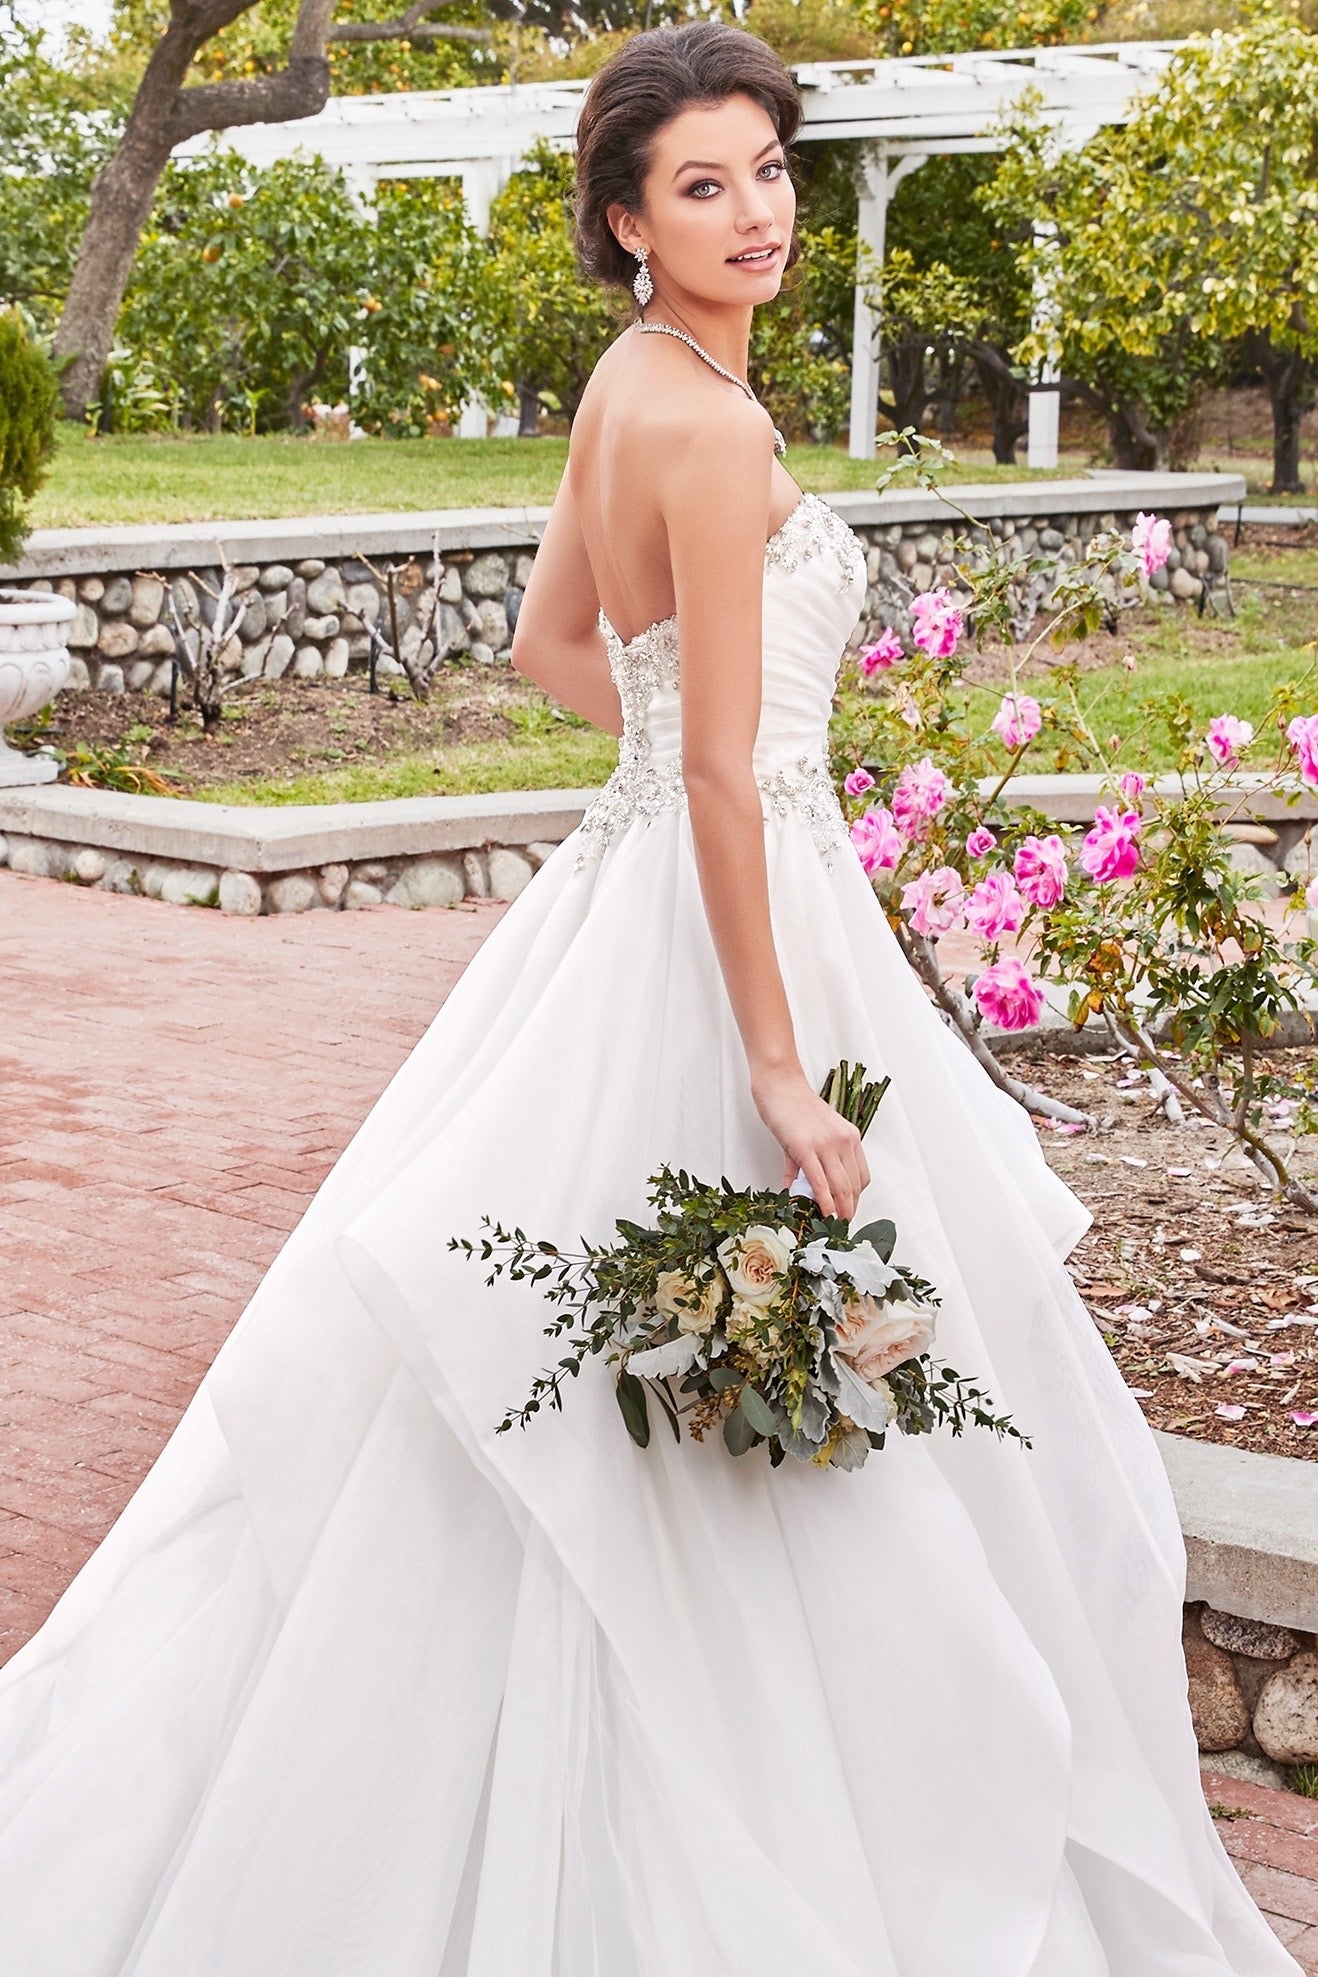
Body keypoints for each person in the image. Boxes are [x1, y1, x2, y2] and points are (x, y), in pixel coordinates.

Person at [0, 22, 1300, 1975]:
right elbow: (703, 763)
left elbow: (551, 648)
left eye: (767, 170)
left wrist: (721, 762)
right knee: (753, 1394)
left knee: (660, 1391)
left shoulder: (630, 385)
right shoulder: (701, 424)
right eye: (702, 185)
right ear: (626, 217)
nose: (755, 211)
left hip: (643, 898)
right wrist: (776, 1045)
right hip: (723, 920)